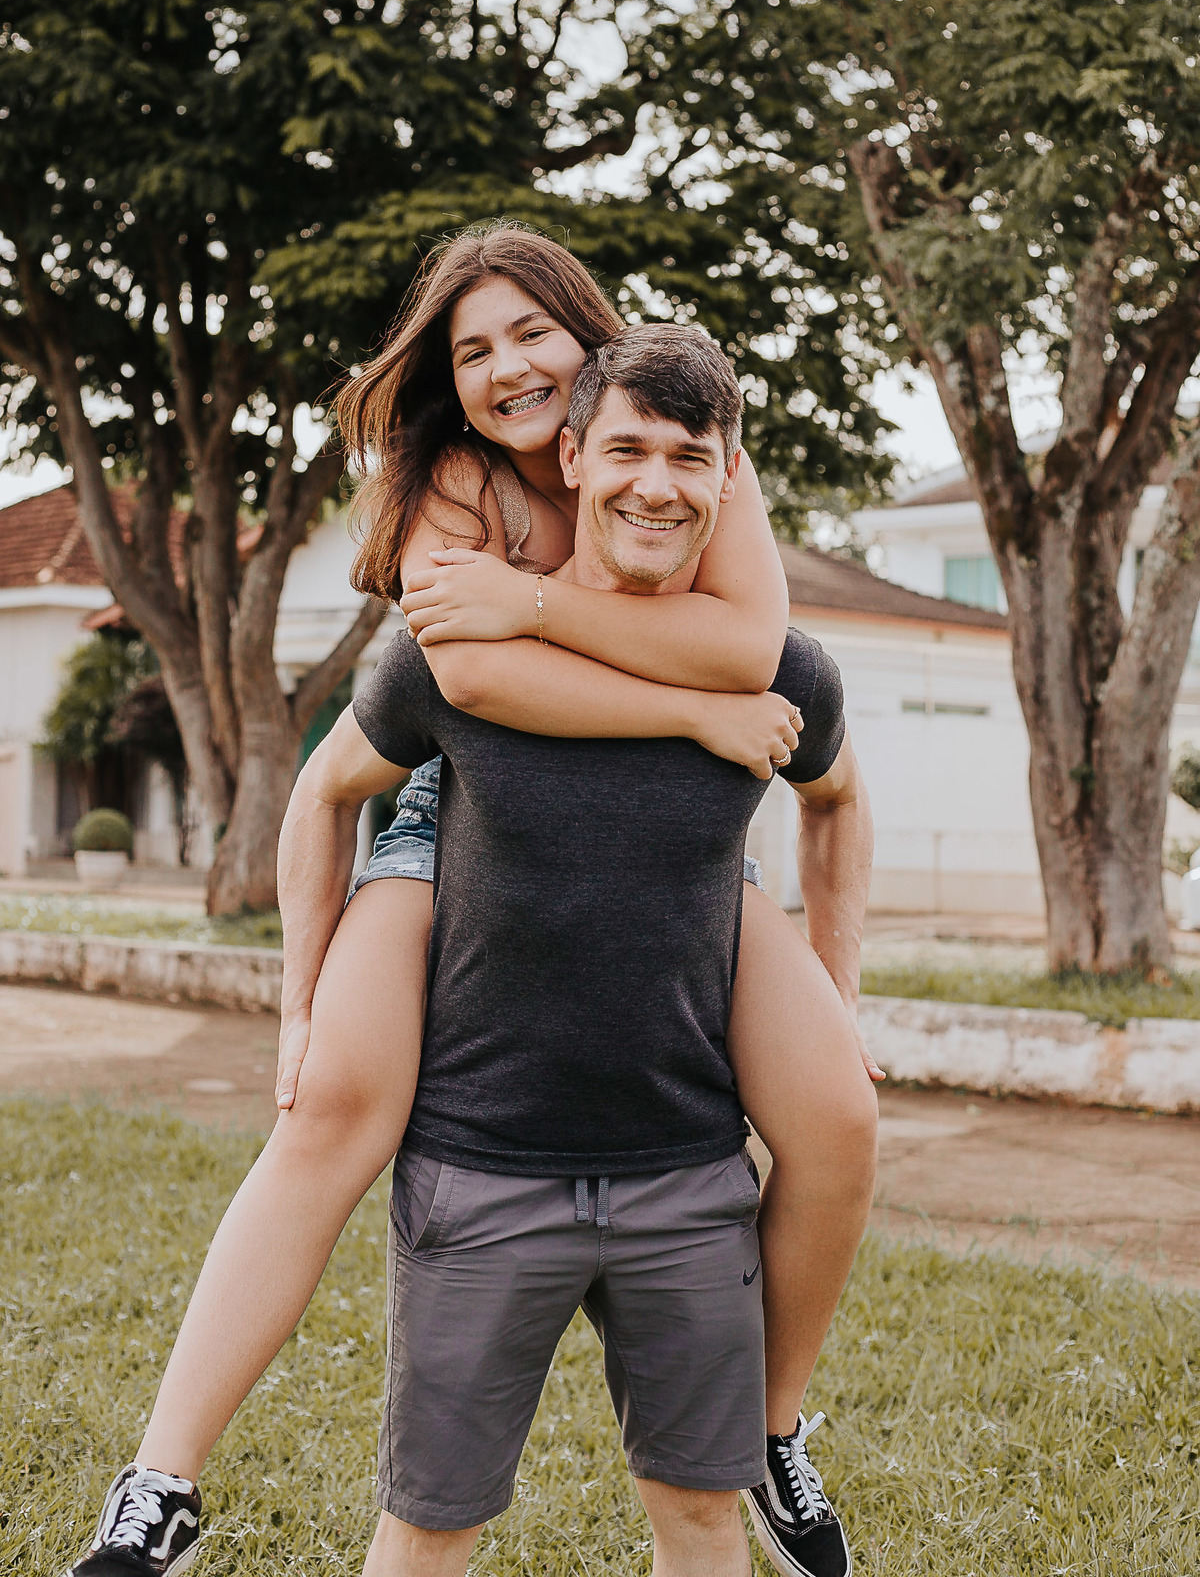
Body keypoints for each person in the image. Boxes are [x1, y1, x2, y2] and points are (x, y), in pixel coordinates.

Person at [68, 236, 878, 1577]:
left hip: (679, 828)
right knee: (334, 1107)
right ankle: (162, 1480)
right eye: (472, 350)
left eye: (530, 333)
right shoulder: (457, 482)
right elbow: (478, 685)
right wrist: (683, 705)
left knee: (841, 1113)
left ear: (589, 335)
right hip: (461, 803)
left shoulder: (680, 439)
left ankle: (774, 1428)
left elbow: (751, 648)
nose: (507, 368)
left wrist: (546, 611)